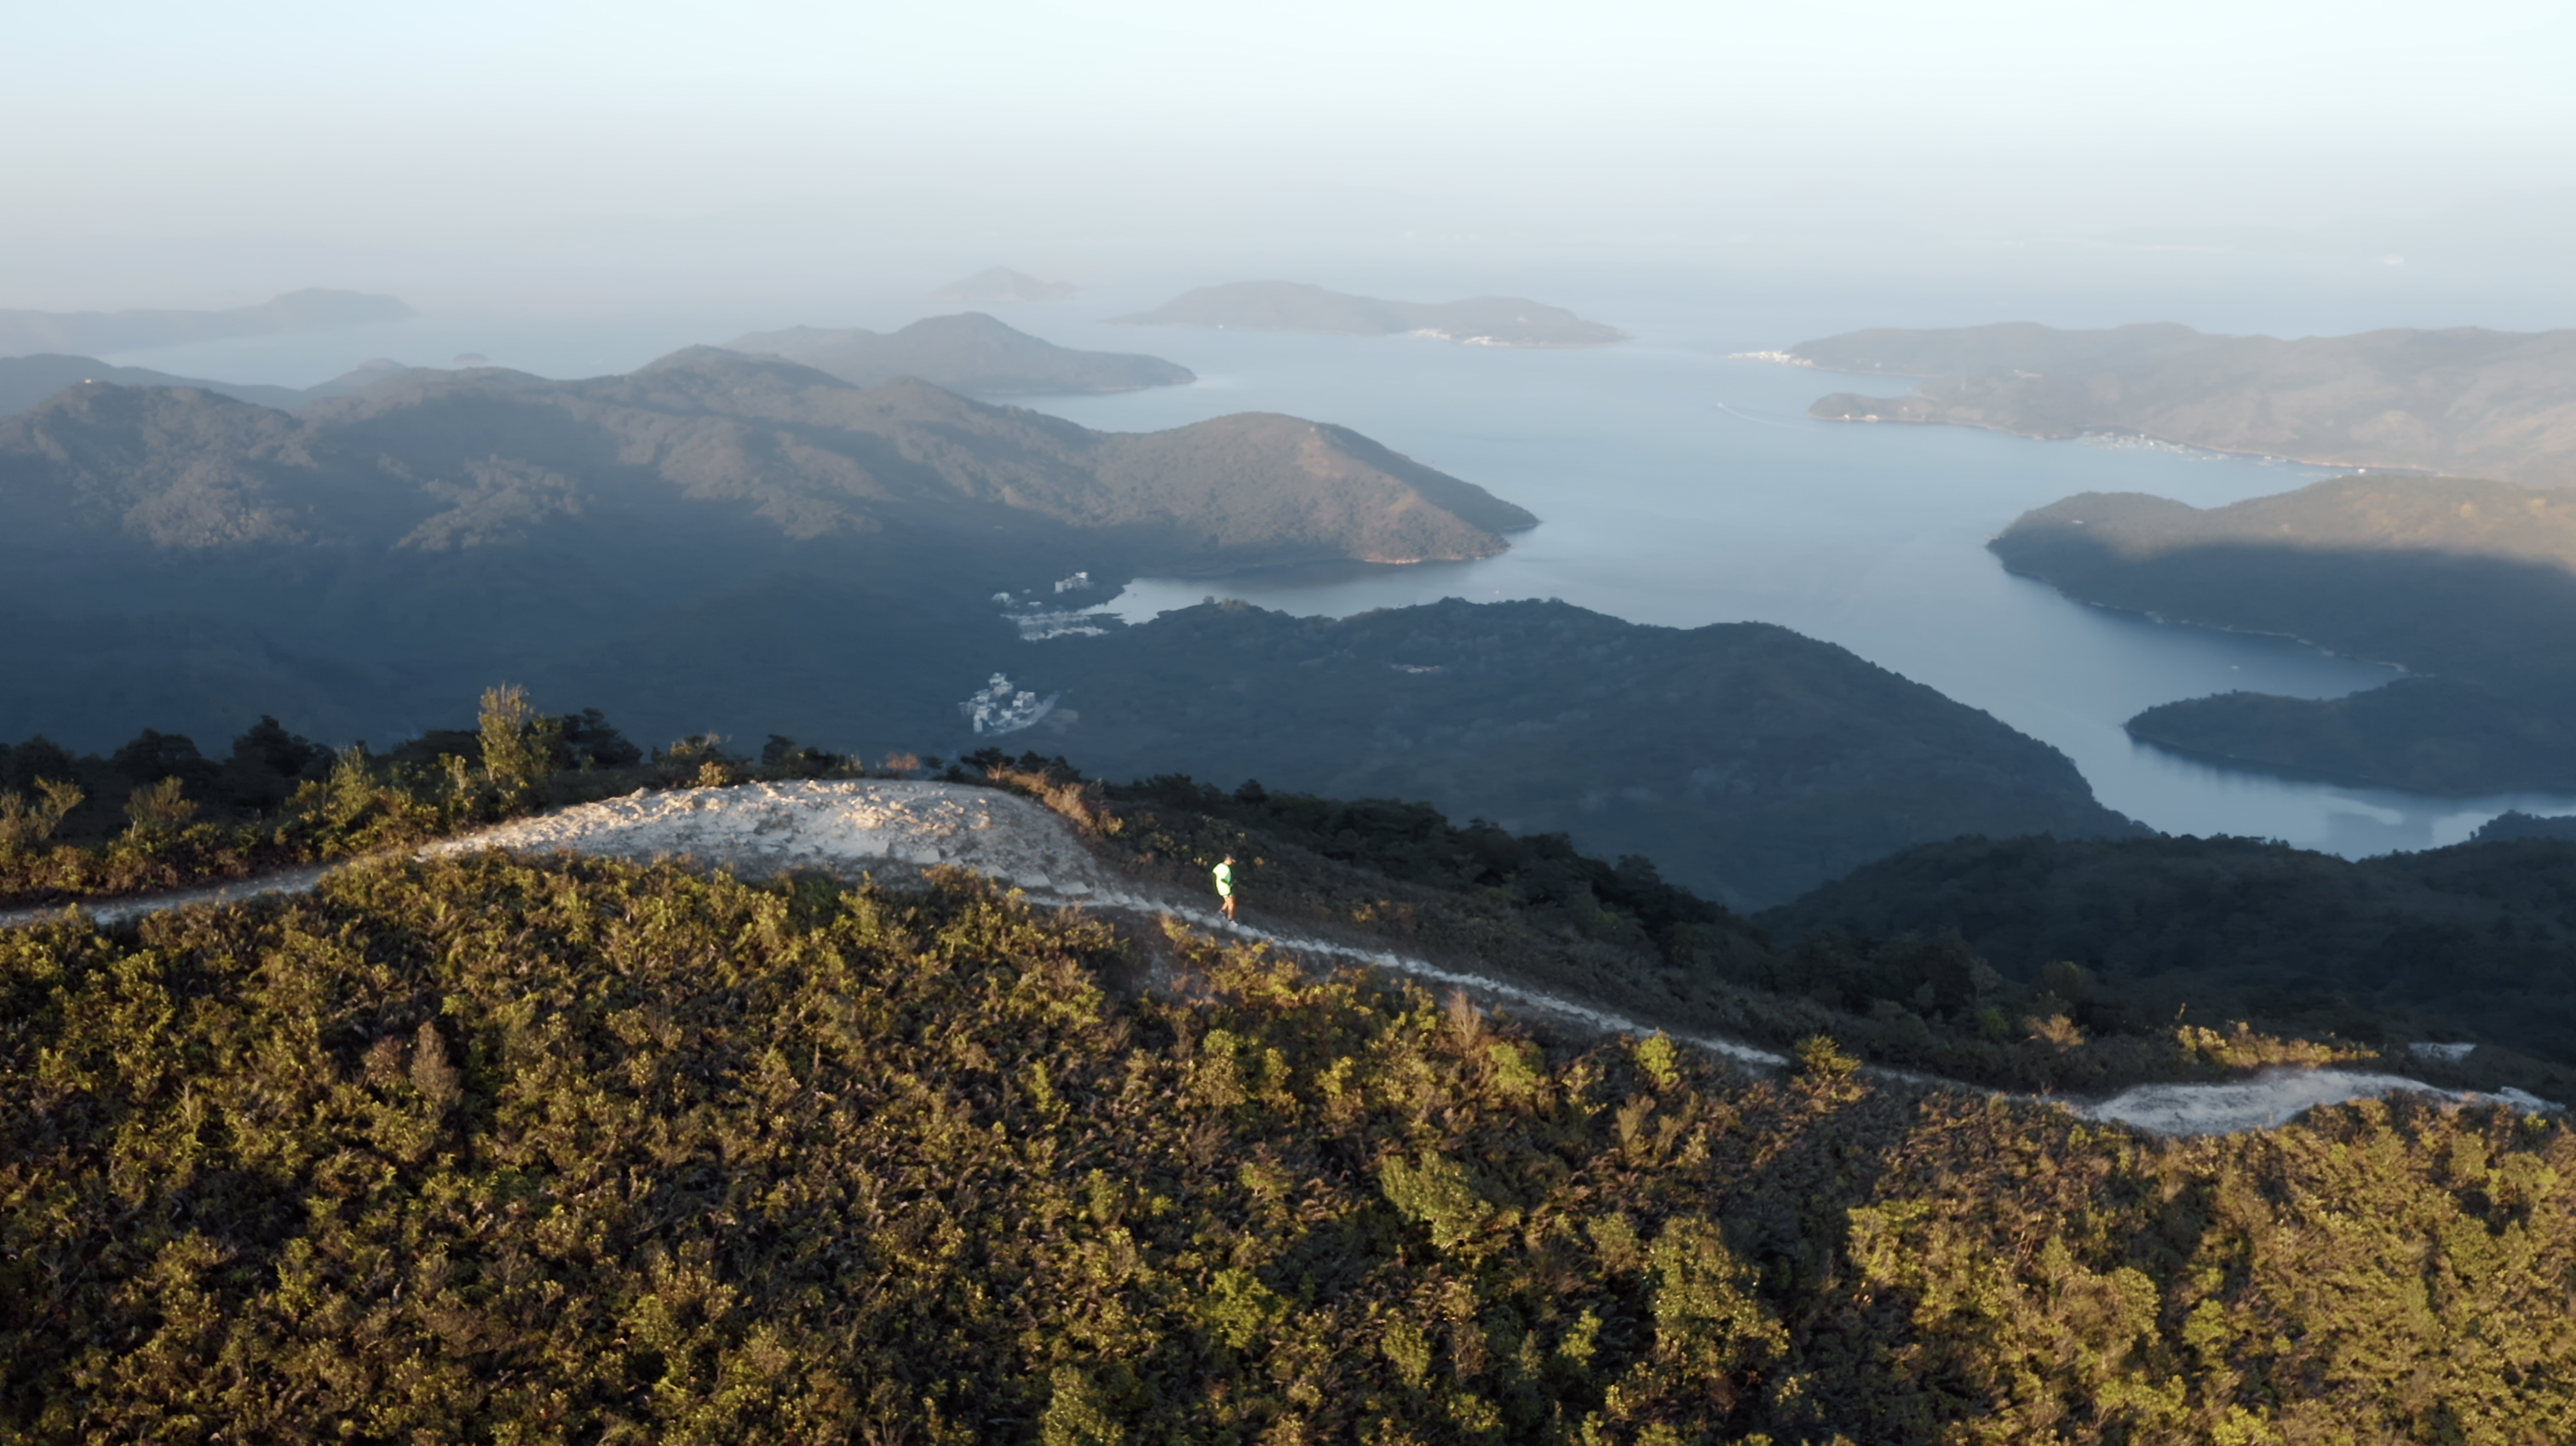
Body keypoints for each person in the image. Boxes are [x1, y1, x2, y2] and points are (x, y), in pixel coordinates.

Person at [1213, 854, 1238, 921]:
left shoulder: (1219, 865)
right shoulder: (1226, 868)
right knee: (1231, 904)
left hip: (1221, 886)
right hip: (1225, 887)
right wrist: (1228, 883)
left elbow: (1214, 872)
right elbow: (1222, 879)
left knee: (1230, 899)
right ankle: (1230, 920)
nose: (1232, 862)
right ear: (1227, 860)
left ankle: (1221, 912)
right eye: (1231, 861)